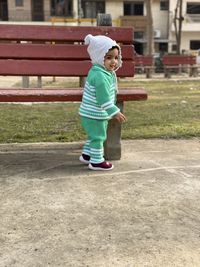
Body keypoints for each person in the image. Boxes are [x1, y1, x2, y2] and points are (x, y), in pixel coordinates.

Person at [79, 34, 126, 171]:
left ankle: (87, 155)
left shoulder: (102, 71)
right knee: (99, 137)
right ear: (99, 57)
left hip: (93, 113)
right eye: (109, 57)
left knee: (93, 135)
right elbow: (103, 98)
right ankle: (96, 161)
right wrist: (115, 111)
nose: (114, 61)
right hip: (94, 114)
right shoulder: (100, 76)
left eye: (116, 58)